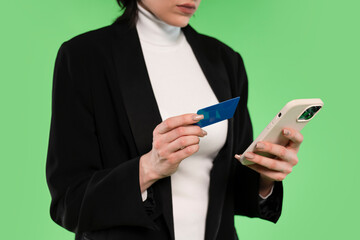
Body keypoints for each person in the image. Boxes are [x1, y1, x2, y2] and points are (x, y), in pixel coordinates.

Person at [46, 0, 303, 239]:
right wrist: (148, 168)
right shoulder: (84, 57)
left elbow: (233, 185)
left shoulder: (225, 60)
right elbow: (68, 203)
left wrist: (266, 177)